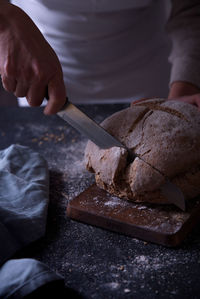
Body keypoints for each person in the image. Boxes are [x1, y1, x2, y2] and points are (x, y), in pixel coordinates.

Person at [0, 0, 200, 115]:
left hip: (152, 77)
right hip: (42, 70)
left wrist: (184, 88)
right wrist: (6, 20)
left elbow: (191, 10)